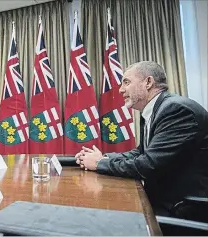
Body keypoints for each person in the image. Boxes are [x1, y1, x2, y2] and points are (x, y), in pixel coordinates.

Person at [75, 61, 208, 218]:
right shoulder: (155, 110)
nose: (121, 89)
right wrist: (104, 157)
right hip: (162, 200)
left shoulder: (177, 110)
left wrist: (99, 164)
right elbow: (140, 152)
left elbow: (148, 165)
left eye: (126, 82)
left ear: (148, 82)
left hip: (181, 207)